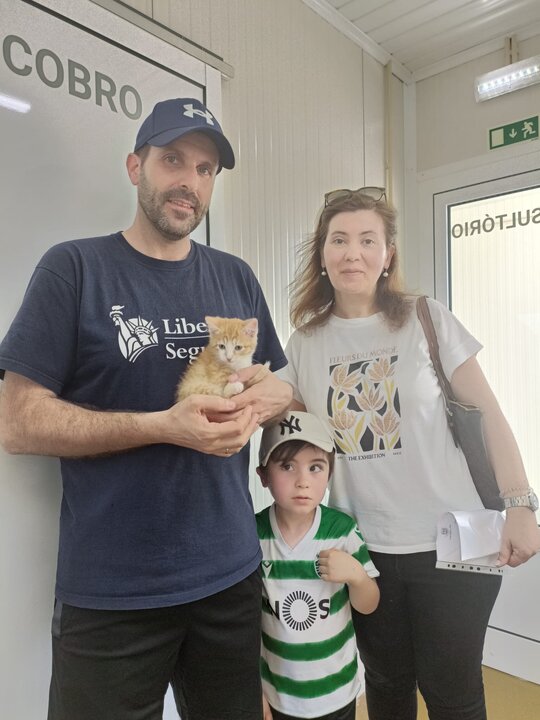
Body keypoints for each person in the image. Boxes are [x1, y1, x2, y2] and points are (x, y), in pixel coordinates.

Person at [0, 97, 293, 720]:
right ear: (136, 167)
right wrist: (160, 427)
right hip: (112, 594)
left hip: (230, 574)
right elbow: (17, 421)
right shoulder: (75, 268)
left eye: (206, 169)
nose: (190, 182)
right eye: (173, 160)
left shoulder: (236, 278)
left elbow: (276, 389)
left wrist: (271, 400)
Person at [276, 187, 540, 720]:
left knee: (453, 693)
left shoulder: (427, 318)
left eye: (367, 240)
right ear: (322, 255)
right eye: (339, 240)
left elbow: (489, 415)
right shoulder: (305, 343)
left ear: (388, 254)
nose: (353, 253)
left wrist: (520, 505)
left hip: (456, 540)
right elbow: (293, 437)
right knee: (387, 684)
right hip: (363, 547)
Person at [256, 410, 380, 720]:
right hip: (279, 696)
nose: (302, 482)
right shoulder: (252, 534)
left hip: (337, 694)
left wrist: (357, 576)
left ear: (329, 474)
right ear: (264, 476)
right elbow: (245, 622)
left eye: (315, 467)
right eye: (287, 466)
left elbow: (369, 604)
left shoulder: (341, 531)